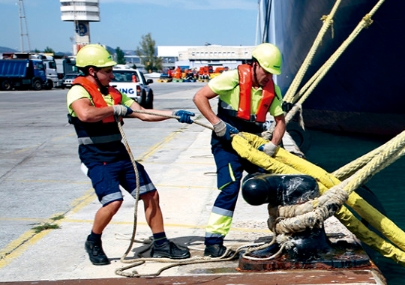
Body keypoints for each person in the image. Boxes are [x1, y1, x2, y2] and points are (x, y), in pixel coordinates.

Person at [68, 44, 196, 266]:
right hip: (97, 159)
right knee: (113, 201)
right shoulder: (78, 91)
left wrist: (174, 114)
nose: (111, 74)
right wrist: (113, 110)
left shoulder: (113, 94)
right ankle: (94, 241)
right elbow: (86, 114)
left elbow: (144, 113)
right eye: (107, 71)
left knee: (151, 195)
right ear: (91, 71)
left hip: (120, 156)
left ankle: (161, 245)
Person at [192, 43, 287, 257]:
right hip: (227, 143)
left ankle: (284, 233)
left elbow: (280, 121)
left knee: (277, 183)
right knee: (230, 188)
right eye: (266, 71)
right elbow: (200, 97)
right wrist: (217, 123)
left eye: (273, 73)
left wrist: (273, 145)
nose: (268, 77)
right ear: (254, 66)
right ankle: (213, 243)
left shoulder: (272, 89)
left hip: (253, 144)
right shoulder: (232, 79)